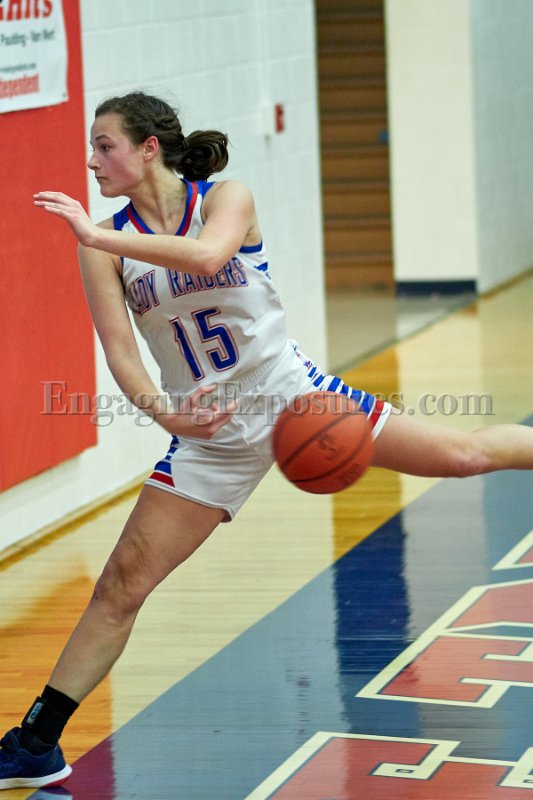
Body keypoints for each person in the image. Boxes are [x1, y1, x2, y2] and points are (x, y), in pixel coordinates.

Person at [2, 90, 533, 791]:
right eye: (91, 148)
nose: (92, 161)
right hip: (209, 435)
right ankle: (36, 742)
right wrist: (169, 417)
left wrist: (99, 237)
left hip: (297, 401)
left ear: (149, 148)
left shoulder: (224, 198)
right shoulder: (102, 247)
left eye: (105, 146)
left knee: (462, 456)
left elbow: (206, 255)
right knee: (121, 585)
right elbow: (122, 355)